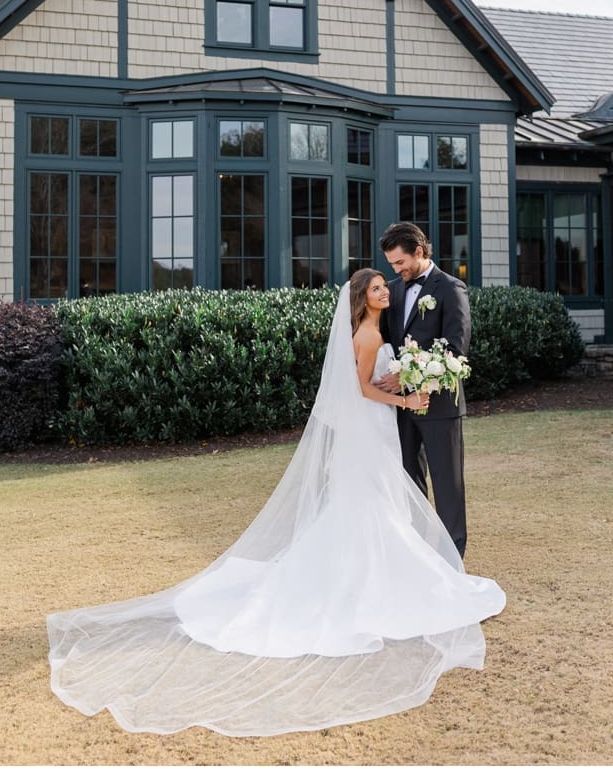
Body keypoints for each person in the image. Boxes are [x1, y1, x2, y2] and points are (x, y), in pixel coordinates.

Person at [47, 268, 505, 735]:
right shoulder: (368, 335)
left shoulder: (373, 330)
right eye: (376, 288)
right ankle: (365, 582)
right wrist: (406, 402)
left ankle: (370, 573)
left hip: (373, 428)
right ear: (361, 299)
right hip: (371, 428)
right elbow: (363, 388)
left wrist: (404, 382)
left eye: (384, 286)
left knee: (372, 504)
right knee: (372, 504)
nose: (385, 291)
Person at [373, 221, 472, 558]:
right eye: (391, 264)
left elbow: (455, 351)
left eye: (400, 262)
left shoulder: (451, 288)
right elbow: (385, 341)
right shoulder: (393, 290)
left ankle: (452, 561)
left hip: (440, 407)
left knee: (448, 487)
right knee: (408, 484)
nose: (396, 270)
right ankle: (417, 558)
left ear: (419, 251)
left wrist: (407, 377)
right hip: (401, 408)